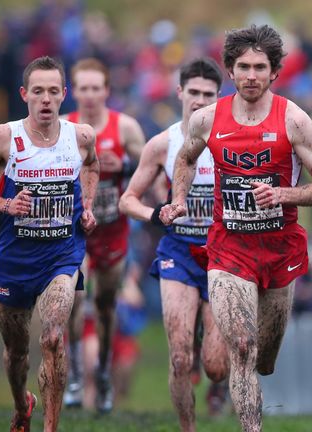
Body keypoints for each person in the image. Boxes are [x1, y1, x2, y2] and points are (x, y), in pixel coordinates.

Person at [159, 25, 312, 432]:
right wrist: (180, 201)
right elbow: (185, 160)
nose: (251, 75)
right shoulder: (207, 119)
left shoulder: (294, 119)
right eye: (243, 67)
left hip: (279, 250)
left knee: (264, 360)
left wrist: (283, 196)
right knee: (242, 346)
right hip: (228, 248)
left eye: (260, 67)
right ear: (230, 70)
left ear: (274, 72)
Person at [0, 56, 99, 432]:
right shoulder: (5, 137)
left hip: (61, 256)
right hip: (15, 261)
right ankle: (22, 405)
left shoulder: (80, 136)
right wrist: (6, 204)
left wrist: (87, 206)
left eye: (53, 91)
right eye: (38, 92)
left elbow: (93, 166)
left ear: (64, 94)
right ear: (25, 95)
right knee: (17, 352)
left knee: (52, 337)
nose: (46, 99)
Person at [119, 57, 229, 432]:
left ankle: (220, 381)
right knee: (180, 357)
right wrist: (155, 214)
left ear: (219, 97)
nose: (199, 101)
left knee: (216, 367)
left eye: (208, 95)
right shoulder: (162, 144)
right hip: (178, 251)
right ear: (180, 92)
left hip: (223, 255)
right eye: (193, 92)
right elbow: (127, 199)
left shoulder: (230, 140)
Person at [61, 57, 145, 414]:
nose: (91, 95)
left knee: (107, 307)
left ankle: (105, 375)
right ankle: (77, 374)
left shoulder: (124, 128)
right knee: (72, 300)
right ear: (73, 92)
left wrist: (122, 165)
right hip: (74, 230)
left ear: (107, 90)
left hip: (112, 230)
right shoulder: (63, 128)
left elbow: (150, 166)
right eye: (84, 88)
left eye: (97, 88)